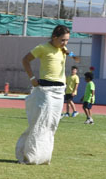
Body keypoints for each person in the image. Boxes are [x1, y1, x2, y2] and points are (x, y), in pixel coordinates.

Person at [15, 25, 71, 164]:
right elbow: (25, 60)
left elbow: (76, 58)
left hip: (60, 90)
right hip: (47, 89)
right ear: (55, 37)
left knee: (52, 123)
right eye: (63, 40)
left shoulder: (63, 50)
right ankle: (29, 155)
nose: (65, 43)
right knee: (41, 121)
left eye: (67, 40)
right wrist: (32, 78)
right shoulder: (43, 47)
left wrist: (70, 53)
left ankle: (44, 156)